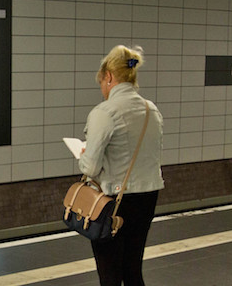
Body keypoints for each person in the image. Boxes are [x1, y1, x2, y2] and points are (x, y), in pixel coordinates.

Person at [79, 45, 164, 286]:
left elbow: (90, 168)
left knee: (110, 274)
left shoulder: (105, 112)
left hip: (115, 202)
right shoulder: (151, 110)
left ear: (108, 76)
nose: (102, 89)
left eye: (101, 83)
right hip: (147, 197)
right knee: (133, 269)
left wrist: (83, 154)